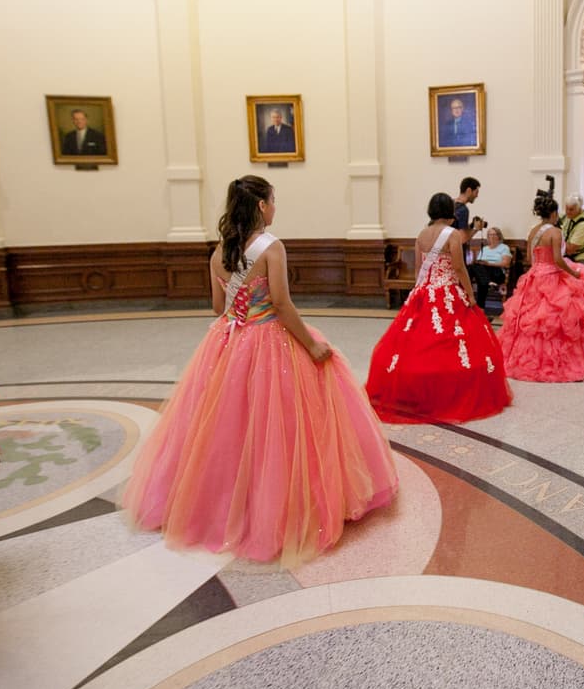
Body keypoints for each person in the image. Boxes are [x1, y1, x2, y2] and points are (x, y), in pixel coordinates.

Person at [123, 176, 398, 566]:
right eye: (272, 201)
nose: (274, 207)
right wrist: (312, 344)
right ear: (260, 207)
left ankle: (218, 505)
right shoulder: (272, 247)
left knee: (225, 427)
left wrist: (242, 311)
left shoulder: (218, 253)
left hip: (229, 341)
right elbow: (283, 306)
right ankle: (271, 509)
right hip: (270, 341)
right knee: (278, 426)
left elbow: (219, 308)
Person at [366, 194, 512, 424]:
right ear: (449, 212)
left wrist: (421, 291)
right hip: (447, 291)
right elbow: (458, 267)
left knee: (415, 342)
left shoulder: (422, 234)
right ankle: (451, 394)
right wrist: (470, 295)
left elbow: (418, 268)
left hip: (424, 291)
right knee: (457, 344)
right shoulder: (452, 234)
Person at [499, 194, 584, 382]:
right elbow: (558, 260)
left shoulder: (534, 231)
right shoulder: (555, 232)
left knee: (535, 322)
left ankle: (529, 361)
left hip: (535, 277)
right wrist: (573, 273)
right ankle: (564, 362)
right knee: (564, 319)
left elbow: (529, 258)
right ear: (553, 213)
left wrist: (540, 267)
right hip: (552, 276)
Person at [468, 226, 513, 309]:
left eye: (494, 234)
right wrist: (481, 263)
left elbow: (506, 264)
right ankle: (487, 282)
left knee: (481, 278)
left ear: (499, 236)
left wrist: (489, 264)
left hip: (497, 272)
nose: (491, 236)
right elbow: (479, 263)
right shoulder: (484, 248)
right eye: (489, 235)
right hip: (484, 272)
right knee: (473, 268)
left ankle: (479, 307)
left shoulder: (504, 247)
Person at [560, 193, 584, 265]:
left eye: (571, 209)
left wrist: (555, 241)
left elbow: (570, 250)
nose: (568, 212)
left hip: (580, 261)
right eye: (566, 208)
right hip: (567, 259)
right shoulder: (567, 217)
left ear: (579, 208)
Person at [452, 177, 485, 244]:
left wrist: (471, 226)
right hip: (454, 251)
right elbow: (462, 239)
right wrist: (476, 229)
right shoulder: (463, 209)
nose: (477, 196)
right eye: (476, 192)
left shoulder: (449, 203)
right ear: (469, 190)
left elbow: (456, 228)